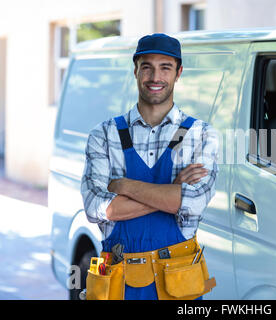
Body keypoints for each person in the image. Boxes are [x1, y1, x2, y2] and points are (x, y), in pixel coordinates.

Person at [80, 33, 219, 300]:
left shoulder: (200, 135)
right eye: (147, 67)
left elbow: (195, 203)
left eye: (165, 67)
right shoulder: (105, 135)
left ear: (178, 73)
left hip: (178, 283)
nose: (156, 77)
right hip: (117, 280)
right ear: (136, 71)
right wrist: (173, 192)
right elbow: (98, 208)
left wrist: (124, 187)